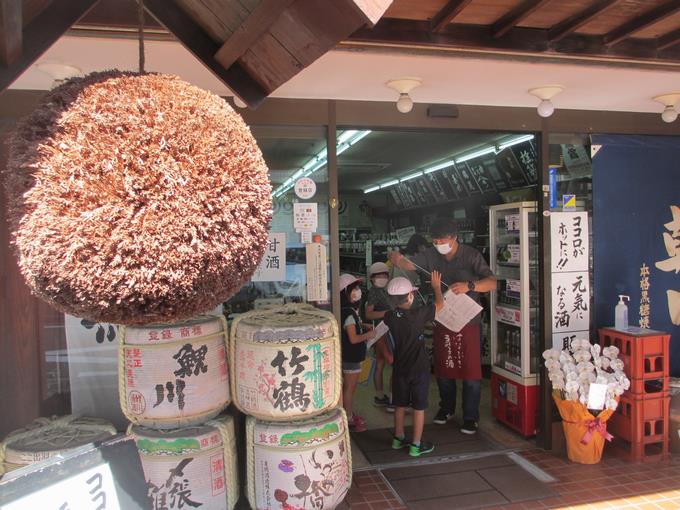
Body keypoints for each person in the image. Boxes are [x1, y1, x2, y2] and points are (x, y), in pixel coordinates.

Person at [389, 218, 496, 435]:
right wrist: (399, 260)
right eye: (435, 240)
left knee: (471, 373)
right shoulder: (431, 254)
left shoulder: (471, 255)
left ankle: (470, 416)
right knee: (444, 369)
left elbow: (492, 282)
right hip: (443, 319)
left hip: (469, 322)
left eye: (442, 240)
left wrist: (470, 285)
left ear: (455, 238)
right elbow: (412, 264)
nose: (439, 244)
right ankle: (446, 408)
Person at [384, 272, 444, 457]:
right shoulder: (418, 315)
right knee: (419, 407)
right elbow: (440, 305)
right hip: (419, 369)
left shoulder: (389, 316)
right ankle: (416, 445)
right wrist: (436, 287)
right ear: (410, 296)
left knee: (400, 404)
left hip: (400, 369)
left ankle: (398, 438)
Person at [339, 273, 375, 432]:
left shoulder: (346, 310)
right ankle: (348, 418)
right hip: (351, 357)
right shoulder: (349, 313)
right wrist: (370, 334)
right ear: (344, 292)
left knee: (348, 387)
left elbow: (353, 327)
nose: (358, 291)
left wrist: (364, 326)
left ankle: (349, 414)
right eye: (354, 288)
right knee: (349, 388)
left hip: (348, 355)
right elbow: (353, 339)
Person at [364, 262, 395, 410]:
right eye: (378, 276)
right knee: (393, 362)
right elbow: (368, 313)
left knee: (381, 363)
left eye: (384, 275)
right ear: (372, 278)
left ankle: (380, 396)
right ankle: (392, 398)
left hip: (387, 330)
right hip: (381, 332)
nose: (382, 278)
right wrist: (387, 313)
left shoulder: (386, 290)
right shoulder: (374, 292)